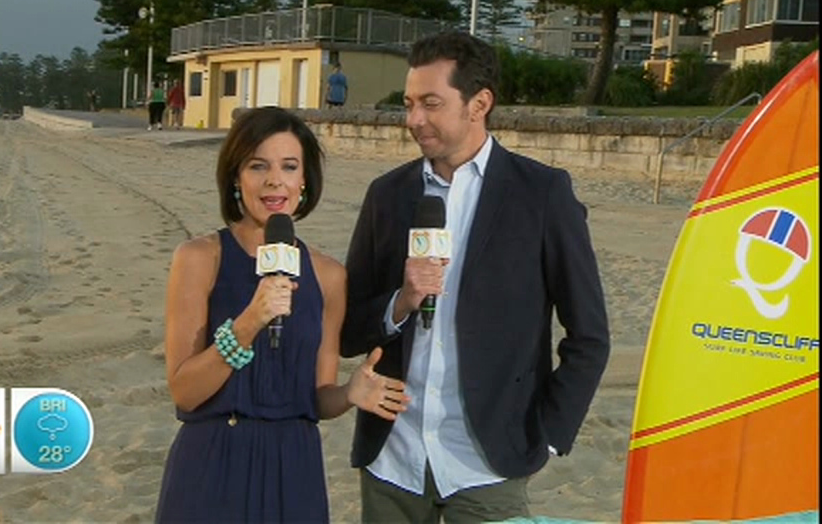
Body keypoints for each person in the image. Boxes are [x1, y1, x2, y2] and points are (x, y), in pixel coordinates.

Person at [340, 31, 611, 522]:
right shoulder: (387, 195)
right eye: (408, 104)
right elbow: (348, 329)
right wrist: (400, 302)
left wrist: (549, 435)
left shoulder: (542, 193)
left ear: (479, 104)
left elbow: (589, 335)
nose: (414, 119)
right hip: (392, 459)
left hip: (488, 465)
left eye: (430, 103)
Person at [156, 106, 411, 523]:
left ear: (304, 180)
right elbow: (185, 391)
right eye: (258, 166)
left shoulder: (328, 276)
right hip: (213, 463)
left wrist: (349, 394)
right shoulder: (200, 258)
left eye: (289, 166)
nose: (275, 180)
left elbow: (318, 397)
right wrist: (248, 323)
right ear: (236, 178)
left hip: (295, 467)